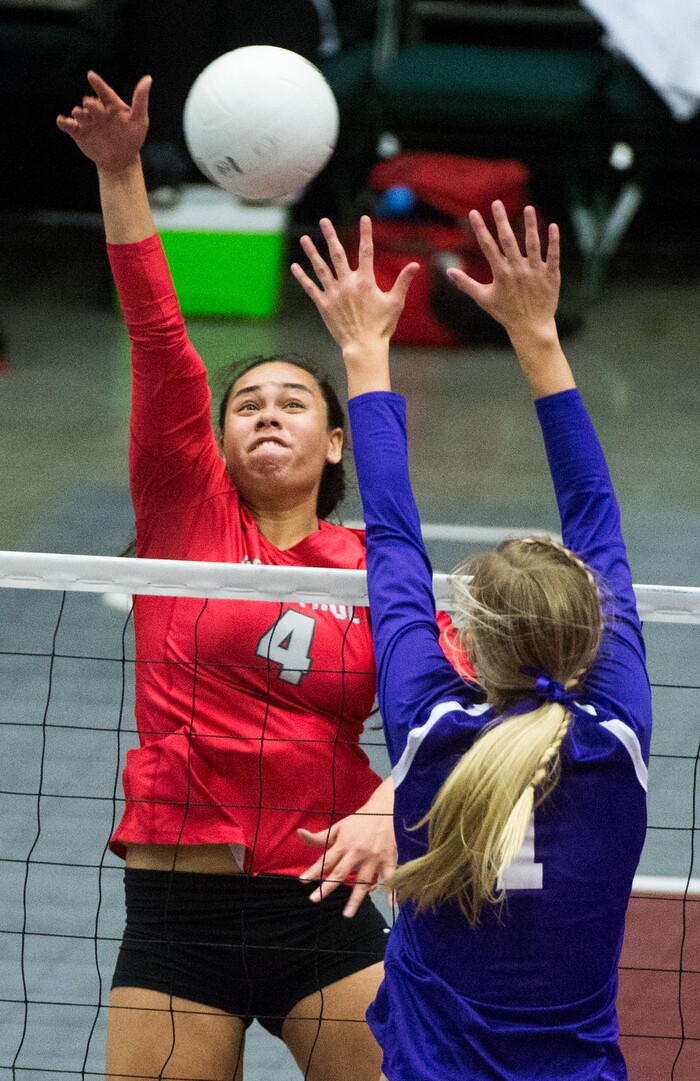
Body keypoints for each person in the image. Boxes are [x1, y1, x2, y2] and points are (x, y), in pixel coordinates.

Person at [56, 73, 397, 1081]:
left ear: (338, 442)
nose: (265, 412)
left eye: (294, 401)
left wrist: (395, 802)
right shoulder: (183, 515)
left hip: (321, 898)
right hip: (179, 913)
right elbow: (161, 340)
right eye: (246, 401)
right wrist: (121, 174)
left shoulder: (375, 568)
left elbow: (451, 711)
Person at [291, 205, 652, 1079]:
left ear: (470, 640)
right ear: (592, 630)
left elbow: (390, 537)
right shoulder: (615, 739)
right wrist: (539, 333)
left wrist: (364, 352)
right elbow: (594, 516)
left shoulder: (429, 727)